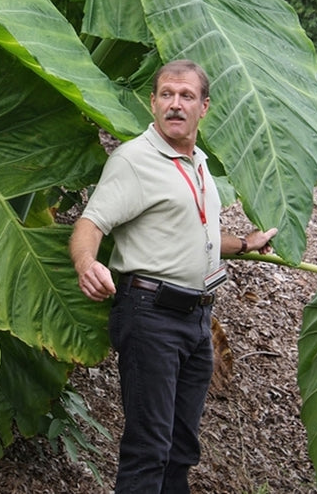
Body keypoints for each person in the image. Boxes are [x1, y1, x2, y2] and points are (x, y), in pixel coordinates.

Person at [69, 59, 277, 494]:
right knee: (150, 449)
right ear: (153, 102)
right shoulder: (135, 160)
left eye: (186, 96)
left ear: (205, 106)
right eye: (167, 94)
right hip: (150, 315)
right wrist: (87, 264)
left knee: (181, 449)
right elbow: (90, 224)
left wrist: (245, 243)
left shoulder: (198, 162)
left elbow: (195, 231)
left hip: (197, 320)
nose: (175, 104)